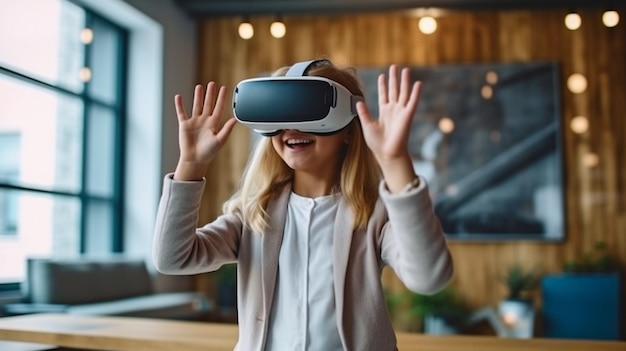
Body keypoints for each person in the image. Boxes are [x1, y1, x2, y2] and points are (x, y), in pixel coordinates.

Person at [152, 59, 453, 351]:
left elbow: (429, 278)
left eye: (308, 112)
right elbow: (172, 258)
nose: (291, 128)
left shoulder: (373, 216)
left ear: (349, 129)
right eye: (279, 116)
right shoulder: (253, 216)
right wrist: (191, 165)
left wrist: (395, 161)